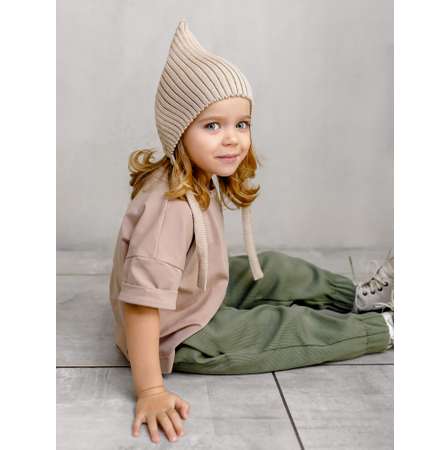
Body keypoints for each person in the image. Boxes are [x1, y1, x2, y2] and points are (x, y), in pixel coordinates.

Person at [108, 18, 394, 444]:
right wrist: (150, 390)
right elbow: (141, 304)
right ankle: (385, 328)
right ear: (177, 131)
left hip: (192, 294)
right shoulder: (169, 207)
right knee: (280, 327)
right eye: (212, 126)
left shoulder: (195, 175)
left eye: (241, 124)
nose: (232, 139)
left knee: (274, 269)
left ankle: (359, 298)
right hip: (176, 333)